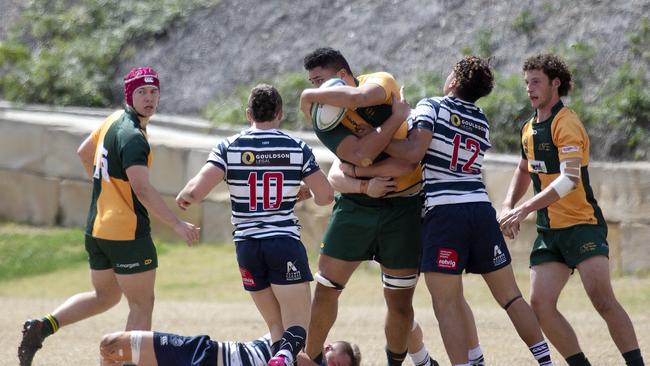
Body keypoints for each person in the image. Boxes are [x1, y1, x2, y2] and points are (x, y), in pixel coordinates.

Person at [354, 56, 554, 366]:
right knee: (511, 297)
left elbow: (414, 153)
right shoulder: (481, 118)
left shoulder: (432, 106)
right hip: (480, 210)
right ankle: (546, 362)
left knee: (445, 303)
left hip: (445, 214)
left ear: (455, 80)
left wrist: (374, 135)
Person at [17, 67, 201, 366]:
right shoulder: (133, 137)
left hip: (98, 227)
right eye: (141, 92)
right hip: (126, 231)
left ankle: (43, 326)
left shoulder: (114, 119)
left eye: (154, 91)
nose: (149, 97)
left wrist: (105, 186)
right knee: (142, 304)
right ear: (130, 95)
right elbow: (142, 189)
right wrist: (177, 224)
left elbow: (83, 152)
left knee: (105, 296)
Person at [498, 53, 645, 366]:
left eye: (536, 82)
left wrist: (522, 210)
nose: (529, 88)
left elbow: (569, 179)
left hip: (582, 225)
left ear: (555, 84)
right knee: (541, 304)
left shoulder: (567, 123)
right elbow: (524, 169)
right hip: (550, 233)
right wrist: (507, 205)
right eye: (526, 82)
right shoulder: (528, 128)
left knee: (602, 300)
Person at [176, 84, 334, 366]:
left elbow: (196, 191)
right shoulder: (296, 147)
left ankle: (279, 357)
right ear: (280, 114)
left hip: (247, 247)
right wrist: (299, 190)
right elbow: (325, 196)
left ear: (248, 113)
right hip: (283, 243)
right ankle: (284, 356)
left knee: (276, 327)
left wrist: (185, 196)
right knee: (298, 326)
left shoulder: (229, 147)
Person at [299, 47, 421, 366]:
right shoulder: (324, 116)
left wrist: (306, 95)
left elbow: (406, 162)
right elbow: (361, 155)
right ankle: (310, 360)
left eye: (319, 81)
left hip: (404, 207)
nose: (315, 92)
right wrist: (395, 119)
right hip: (355, 206)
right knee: (326, 287)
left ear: (342, 77)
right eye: (309, 82)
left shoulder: (380, 81)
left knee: (399, 301)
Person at [98, 330, 360, 366]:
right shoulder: (295, 335)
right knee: (110, 345)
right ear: (325, 346)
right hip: (207, 352)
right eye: (331, 361)